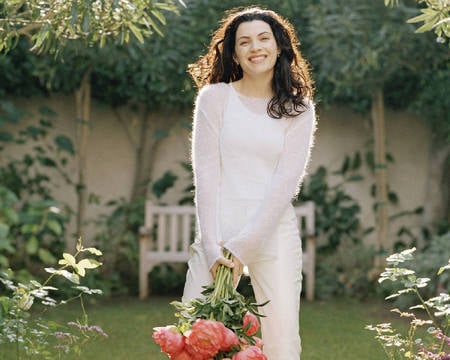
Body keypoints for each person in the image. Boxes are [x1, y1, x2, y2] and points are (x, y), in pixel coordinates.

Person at [182, 6, 316, 359]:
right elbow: (206, 176)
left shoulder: (299, 109)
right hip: (218, 231)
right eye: (244, 42)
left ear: (279, 46)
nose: (255, 47)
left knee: (281, 343)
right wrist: (212, 246)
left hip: (273, 232)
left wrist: (245, 245)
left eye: (263, 38)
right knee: (194, 337)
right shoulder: (214, 99)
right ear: (234, 53)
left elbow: (286, 184)